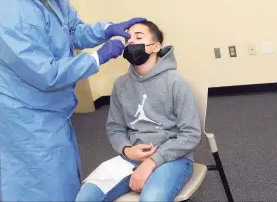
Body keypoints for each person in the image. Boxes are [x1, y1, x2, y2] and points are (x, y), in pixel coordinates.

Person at [0, 0, 146, 202]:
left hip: (47, 108)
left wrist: (106, 29)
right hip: (20, 114)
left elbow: (73, 30)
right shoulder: (6, 16)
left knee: (61, 176)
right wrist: (97, 58)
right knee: (36, 184)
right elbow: (46, 74)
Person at [76, 21, 202, 202]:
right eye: (128, 38)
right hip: (131, 157)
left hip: (173, 158)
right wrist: (127, 150)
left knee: (151, 199)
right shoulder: (121, 85)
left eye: (138, 37)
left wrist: (152, 162)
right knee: (85, 197)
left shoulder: (176, 83)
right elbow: (115, 128)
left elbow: (190, 134)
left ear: (156, 47)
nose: (131, 41)